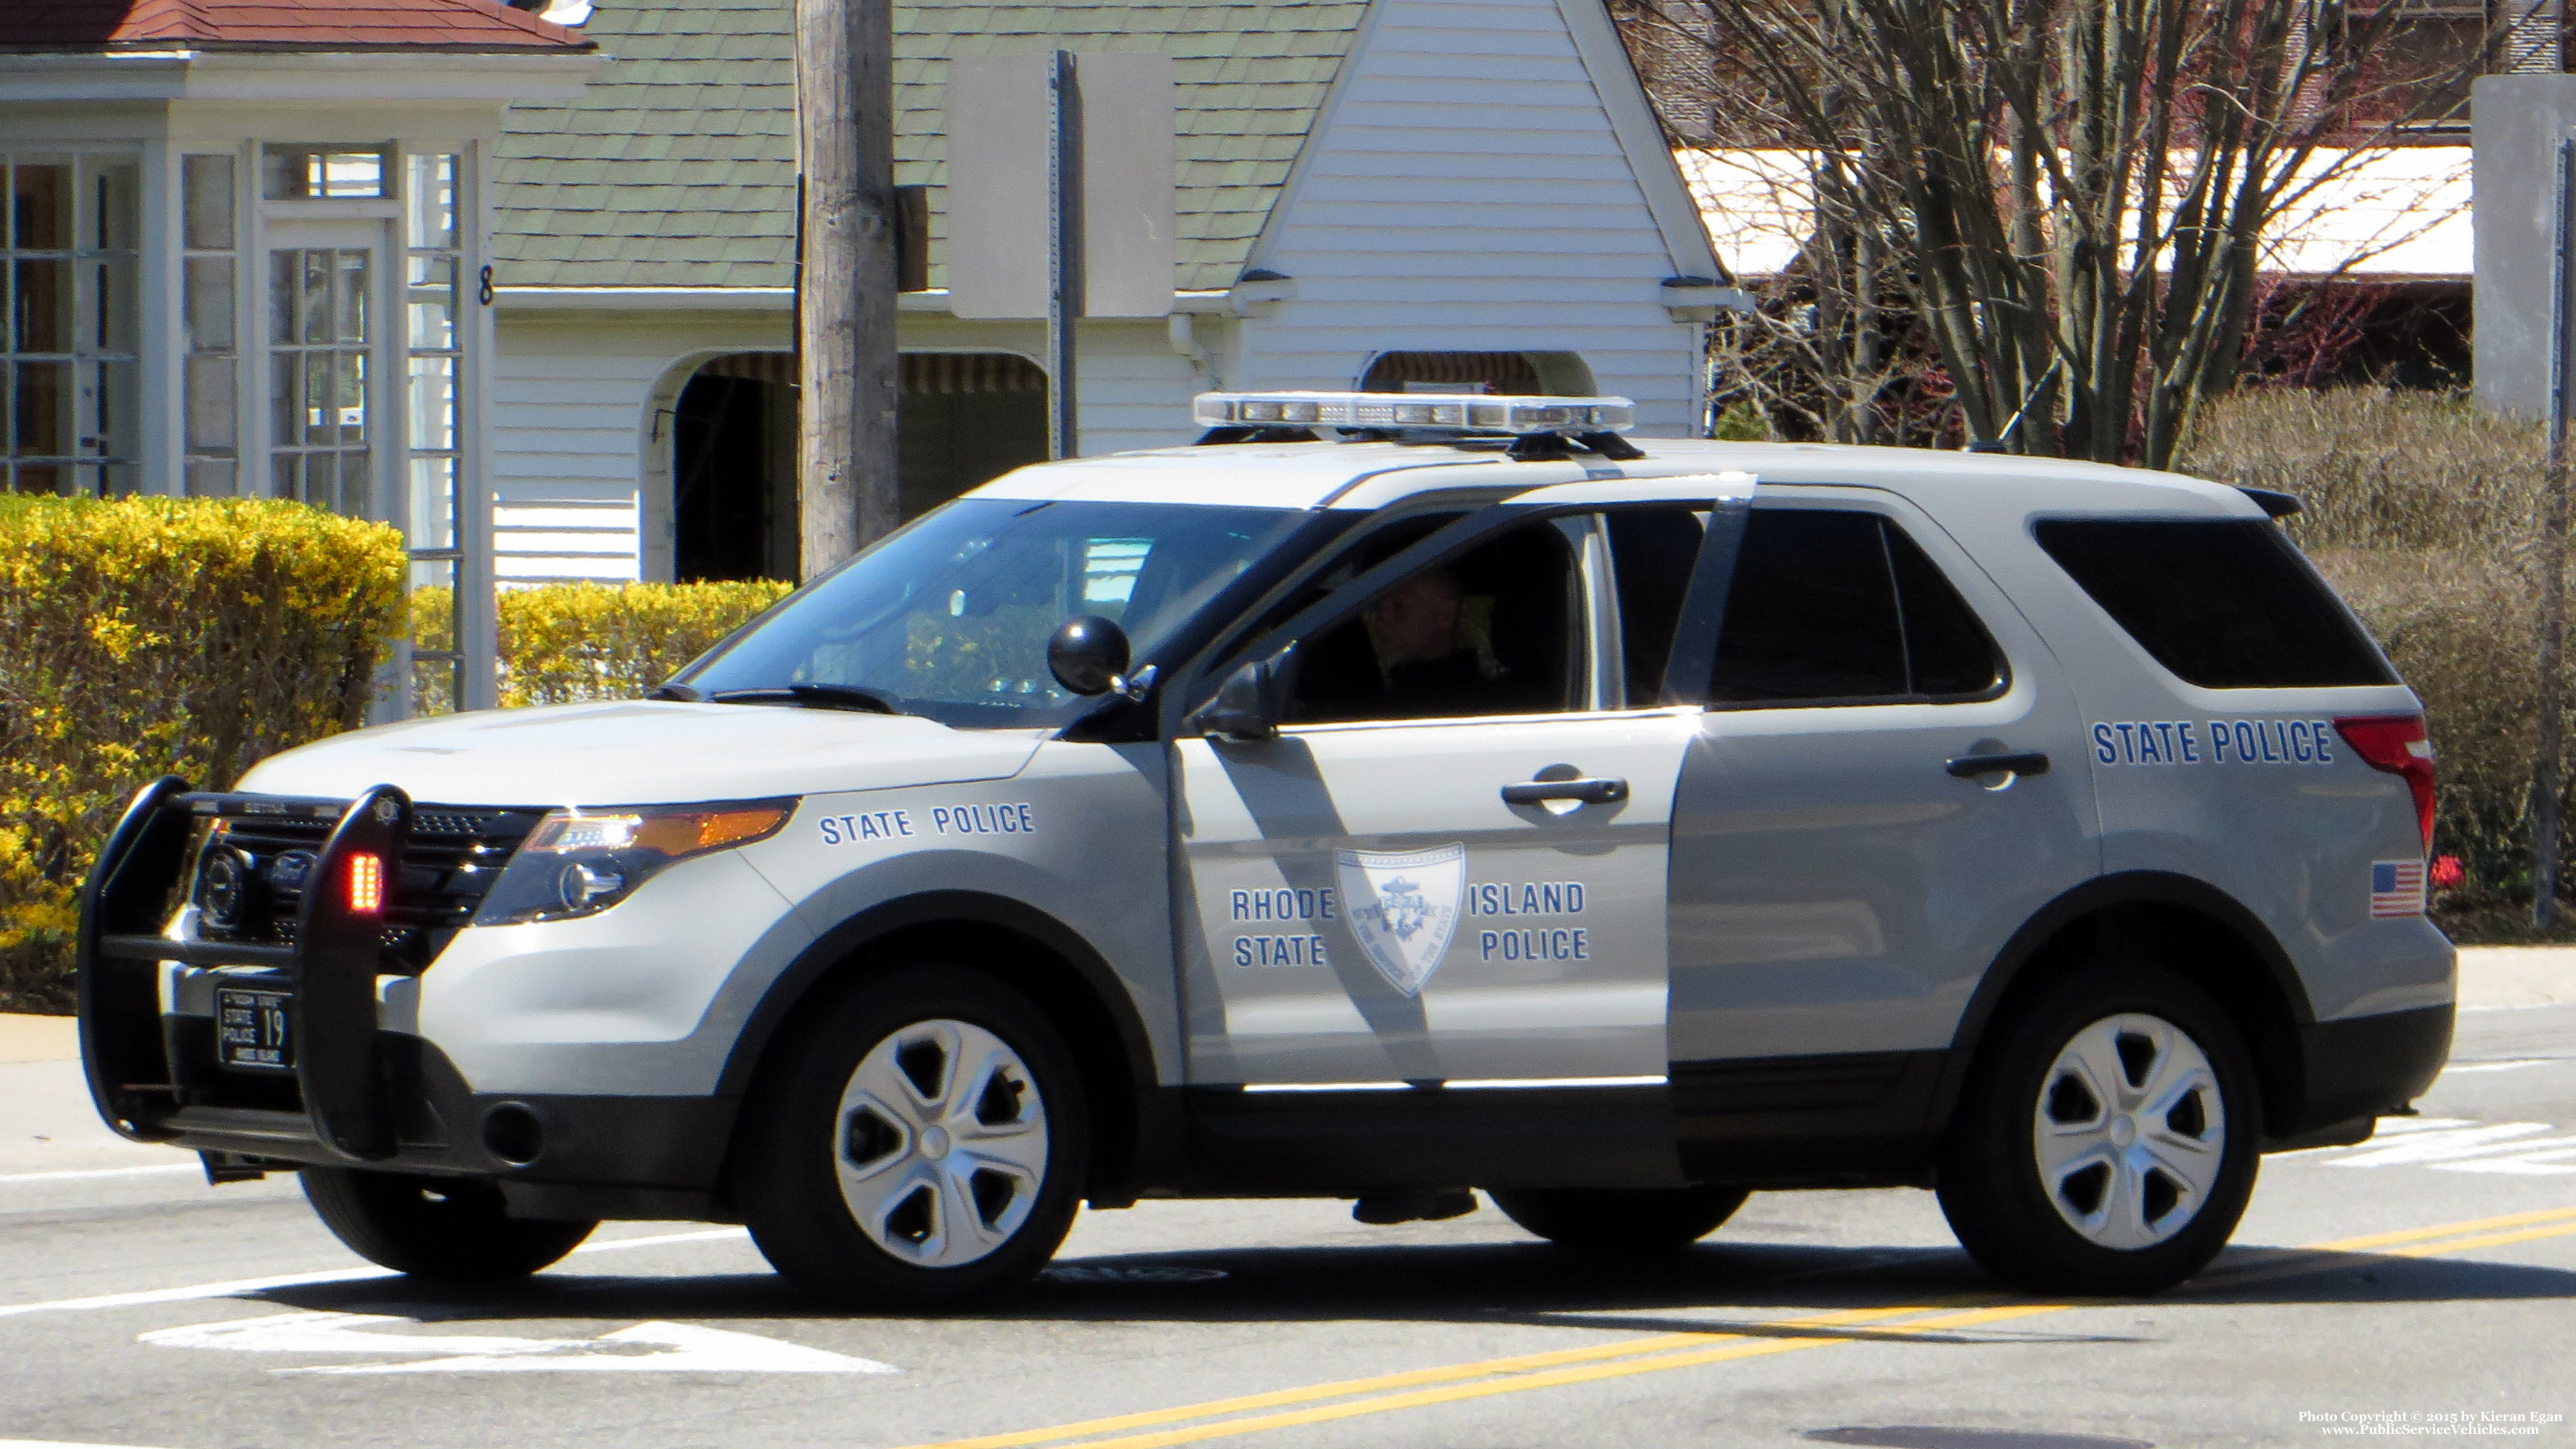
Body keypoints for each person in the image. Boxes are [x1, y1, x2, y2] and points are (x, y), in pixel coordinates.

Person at [1366, 567, 1507, 718]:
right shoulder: (1393, 695)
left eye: (1398, 607)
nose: (1380, 624)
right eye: (1378, 609)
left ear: (1446, 615)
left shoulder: (1471, 706)